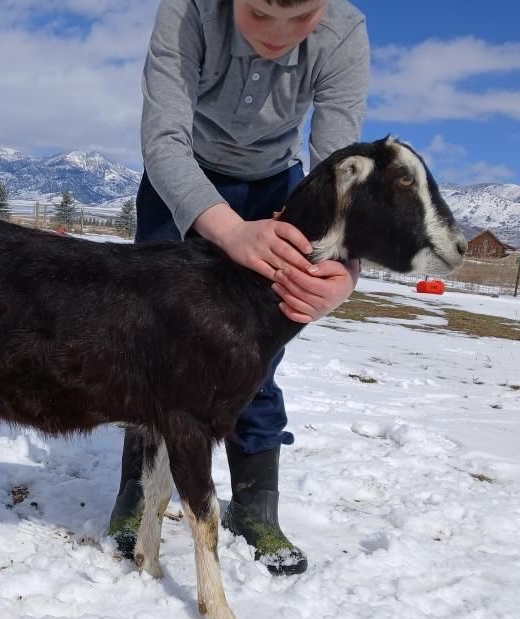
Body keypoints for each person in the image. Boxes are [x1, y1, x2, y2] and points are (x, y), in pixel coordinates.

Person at [108, 0, 370, 575]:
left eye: (301, 20)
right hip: (181, 182)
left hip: (277, 189)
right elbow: (164, 141)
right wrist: (228, 230)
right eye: (258, 15)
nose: (279, 37)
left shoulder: (345, 31)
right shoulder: (187, 12)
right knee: (152, 353)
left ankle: (254, 505)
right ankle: (137, 492)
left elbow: (340, 170)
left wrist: (343, 272)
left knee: (256, 357)